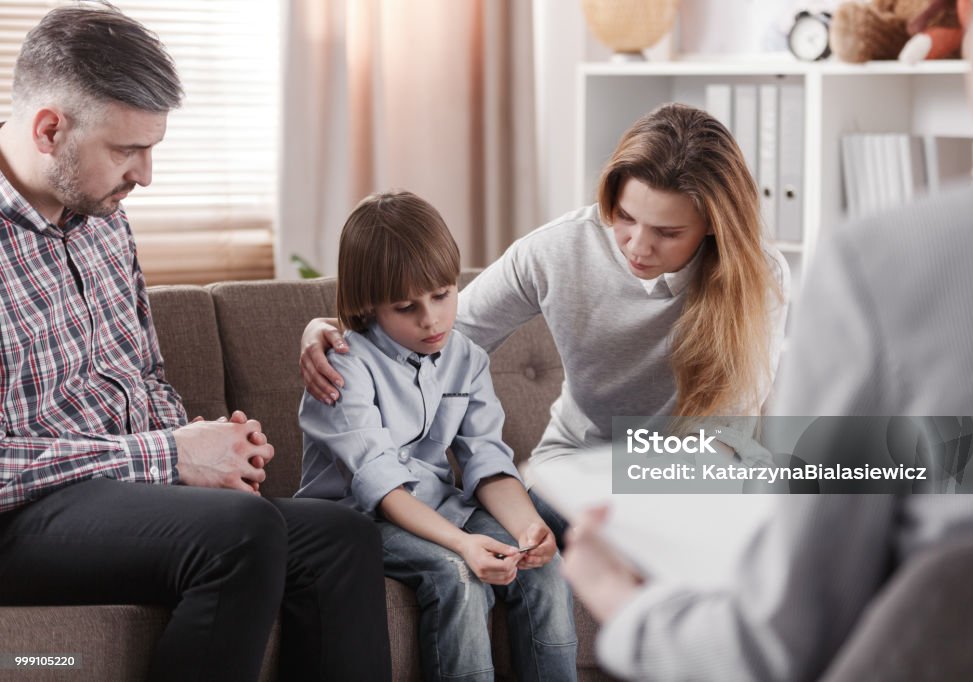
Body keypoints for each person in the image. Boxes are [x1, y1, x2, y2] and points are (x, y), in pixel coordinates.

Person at [560, 0, 973, 679]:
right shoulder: (563, 250)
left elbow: (777, 646)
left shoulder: (885, 266)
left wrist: (621, 604)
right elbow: (963, 458)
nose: (640, 244)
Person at [0, 6, 389, 680]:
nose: (145, 175)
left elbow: (143, 373)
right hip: (22, 519)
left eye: (152, 149)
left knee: (341, 538)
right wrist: (167, 456)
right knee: (242, 535)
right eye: (127, 150)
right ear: (49, 129)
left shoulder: (103, 220)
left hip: (121, 497)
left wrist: (210, 452)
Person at [299, 103, 791, 539]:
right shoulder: (558, 250)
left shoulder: (758, 278)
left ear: (712, 225)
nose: (638, 246)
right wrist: (340, 331)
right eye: (624, 217)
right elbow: (445, 334)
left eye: (667, 232)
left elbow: (727, 435)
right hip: (577, 466)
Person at [297, 190, 577, 682]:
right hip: (359, 522)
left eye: (443, 295)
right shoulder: (343, 365)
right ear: (369, 306)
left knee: (545, 570)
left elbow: (487, 462)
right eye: (407, 306)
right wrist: (465, 545)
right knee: (457, 576)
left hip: (440, 507)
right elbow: (383, 490)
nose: (431, 319)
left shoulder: (466, 357)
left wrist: (529, 529)